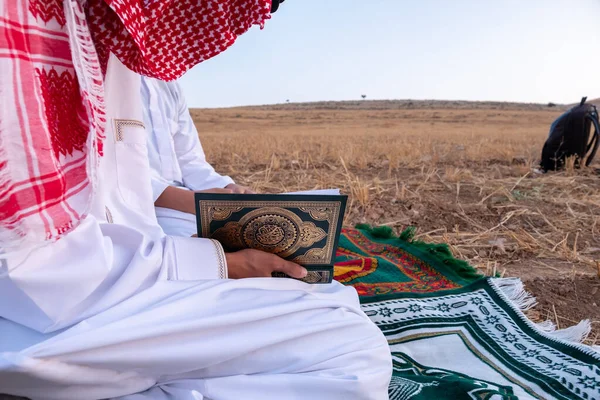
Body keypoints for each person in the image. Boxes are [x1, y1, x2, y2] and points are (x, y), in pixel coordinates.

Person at [0, 1, 392, 399]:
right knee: (352, 352)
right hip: (52, 317)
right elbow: (39, 268)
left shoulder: (118, 54)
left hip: (123, 275)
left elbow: (178, 170)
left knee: (331, 300)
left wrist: (233, 199)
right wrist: (220, 264)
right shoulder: (27, 33)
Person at [142, 77, 252, 238]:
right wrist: (196, 202)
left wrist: (229, 189)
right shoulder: (101, 77)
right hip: (140, 210)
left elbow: (190, 159)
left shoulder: (168, 85)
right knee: (212, 252)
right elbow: (111, 175)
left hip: (192, 204)